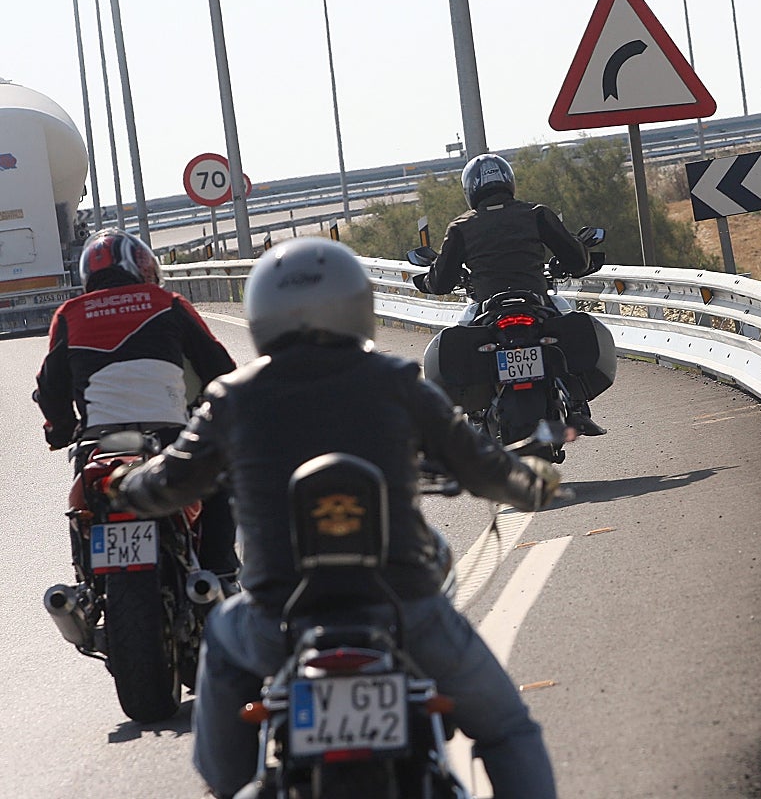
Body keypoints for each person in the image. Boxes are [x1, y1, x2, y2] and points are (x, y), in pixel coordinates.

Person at [107, 236, 561, 799]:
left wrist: (126, 484)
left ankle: (228, 785)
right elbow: (480, 463)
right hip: (403, 611)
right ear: (356, 302)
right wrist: (532, 483)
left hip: (278, 620)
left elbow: (169, 483)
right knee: (507, 728)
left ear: (262, 313)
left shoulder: (232, 397)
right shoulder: (397, 381)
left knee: (222, 637)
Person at [34, 227, 240, 583]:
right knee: (218, 480)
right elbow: (220, 368)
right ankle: (220, 572)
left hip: (99, 441)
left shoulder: (69, 314)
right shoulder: (168, 303)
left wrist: (61, 430)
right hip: (168, 435)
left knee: (82, 504)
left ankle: (88, 582)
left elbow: (50, 385)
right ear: (140, 265)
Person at [414, 152, 606, 436]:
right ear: (509, 182)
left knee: (464, 332)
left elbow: (441, 281)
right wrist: (575, 258)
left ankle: (476, 412)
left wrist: (430, 281)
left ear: (470, 189)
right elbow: (577, 260)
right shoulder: (536, 213)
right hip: (535, 300)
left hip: (488, 307)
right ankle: (577, 404)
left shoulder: (461, 227)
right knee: (565, 322)